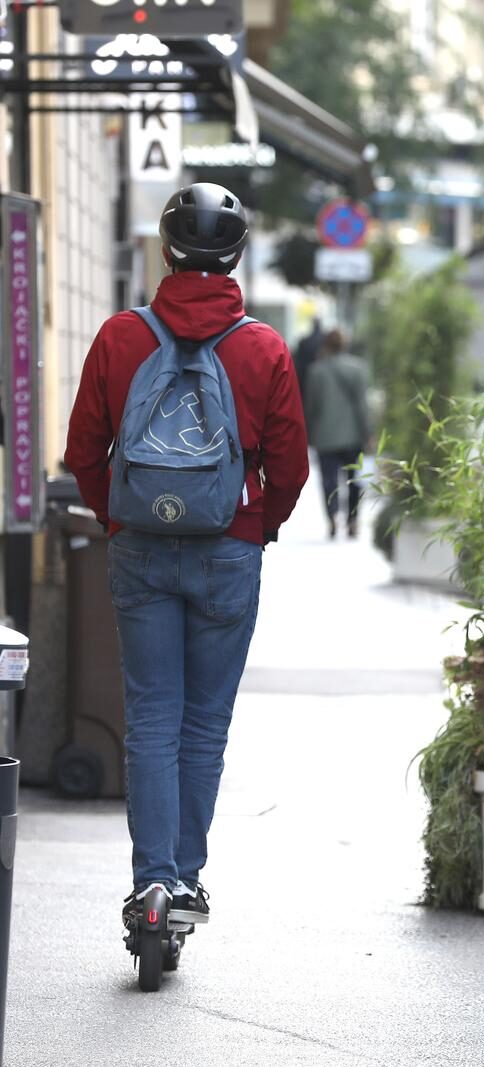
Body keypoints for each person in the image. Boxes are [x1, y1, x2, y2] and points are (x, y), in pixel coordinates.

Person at [64, 182, 309, 933]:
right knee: (204, 724)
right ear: (236, 256)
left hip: (140, 548)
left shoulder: (119, 336)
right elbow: (291, 465)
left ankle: (152, 884)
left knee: (151, 719)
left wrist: (120, 517)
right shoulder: (262, 347)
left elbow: (82, 452)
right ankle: (188, 880)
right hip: (226, 550)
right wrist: (255, 526)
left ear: (166, 251)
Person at [303, 328, 372, 539]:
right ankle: (352, 520)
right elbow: (363, 405)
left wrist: (308, 435)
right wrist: (368, 432)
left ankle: (332, 517)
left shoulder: (316, 371)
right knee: (355, 479)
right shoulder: (358, 369)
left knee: (328, 480)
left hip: (325, 436)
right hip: (353, 436)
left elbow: (310, 407)